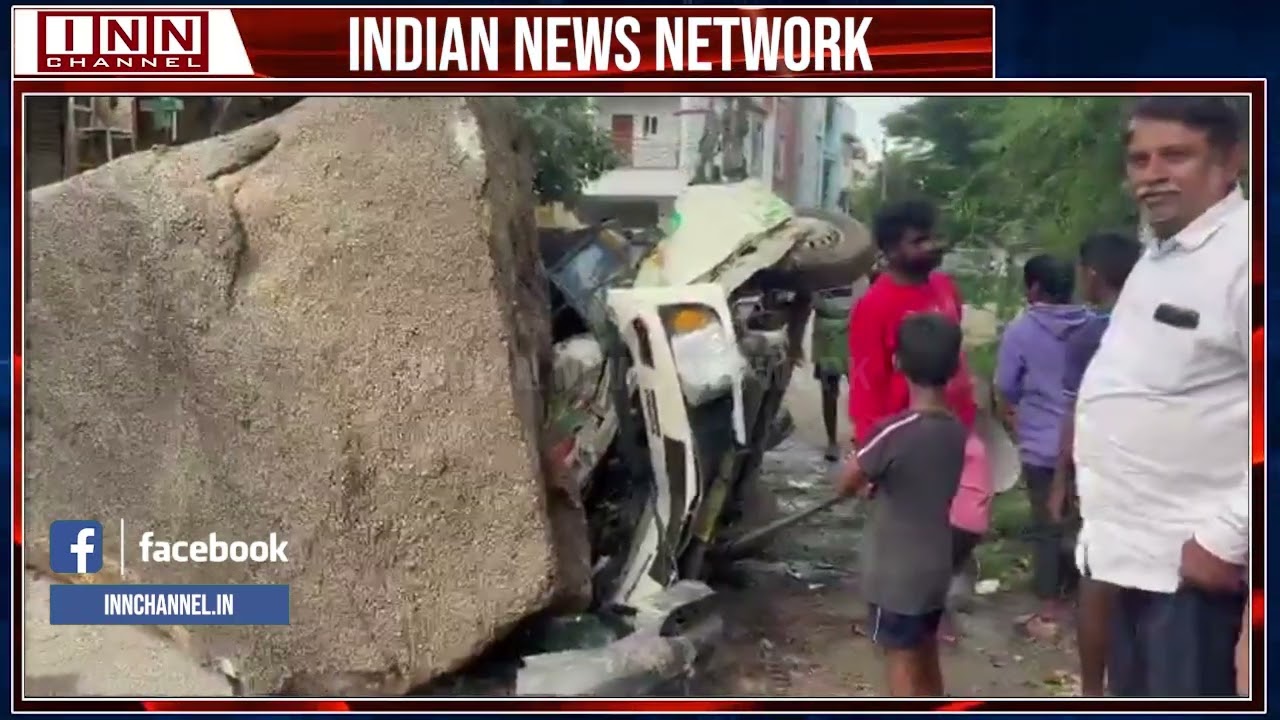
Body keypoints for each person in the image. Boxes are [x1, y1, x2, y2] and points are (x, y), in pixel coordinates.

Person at [1073, 96, 1249, 696]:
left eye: (1176, 156)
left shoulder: (1248, 257)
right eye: (1139, 160)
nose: (1151, 174)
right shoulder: (1162, 254)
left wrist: (1229, 535)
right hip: (1132, 558)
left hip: (1193, 571)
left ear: (1232, 161)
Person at [847, 198, 990, 642]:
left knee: (967, 520)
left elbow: (956, 353)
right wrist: (870, 447)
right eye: (918, 241)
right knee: (910, 532)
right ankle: (902, 609)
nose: (932, 246)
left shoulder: (946, 288)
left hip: (956, 429)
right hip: (906, 437)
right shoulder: (875, 306)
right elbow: (867, 380)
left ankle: (934, 599)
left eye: (933, 236)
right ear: (890, 251)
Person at [832, 312, 969, 697]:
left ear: (898, 363)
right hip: (936, 566)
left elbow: (845, 485)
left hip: (896, 575)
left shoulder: (892, 431)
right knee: (925, 653)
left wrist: (857, 472)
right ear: (955, 365)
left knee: (900, 661)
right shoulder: (955, 430)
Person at [1045, 230, 1143, 695]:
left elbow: (1072, 411)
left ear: (1093, 276)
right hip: (1158, 472)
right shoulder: (1160, 323)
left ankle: (1091, 690)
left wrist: (1060, 480)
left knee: (1099, 579)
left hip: (1105, 472)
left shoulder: (1089, 336)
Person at [994, 254, 1091, 636]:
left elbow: (1006, 385)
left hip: (1043, 446)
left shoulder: (1023, 329)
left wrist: (1013, 420)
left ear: (1034, 288)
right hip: (1090, 442)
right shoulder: (1095, 324)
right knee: (1084, 523)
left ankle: (1050, 611)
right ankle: (1084, 601)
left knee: (1048, 526)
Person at [811, 279, 870, 461]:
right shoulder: (818, 268)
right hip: (826, 334)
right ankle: (832, 440)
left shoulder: (858, 263)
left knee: (862, 388)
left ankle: (863, 435)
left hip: (855, 330)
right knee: (829, 390)